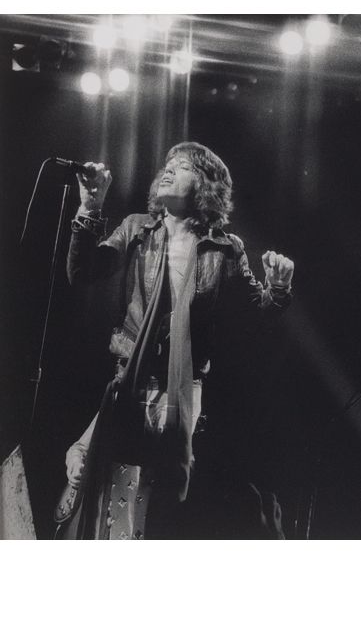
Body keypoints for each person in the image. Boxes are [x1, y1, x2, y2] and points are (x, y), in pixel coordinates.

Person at [57, 142, 294, 539]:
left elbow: (258, 316)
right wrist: (90, 208)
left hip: (185, 392)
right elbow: (82, 272)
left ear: (205, 186)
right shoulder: (137, 228)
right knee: (118, 504)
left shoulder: (226, 249)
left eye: (182, 166)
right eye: (167, 164)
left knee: (163, 508)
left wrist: (279, 288)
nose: (167, 170)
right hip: (131, 380)